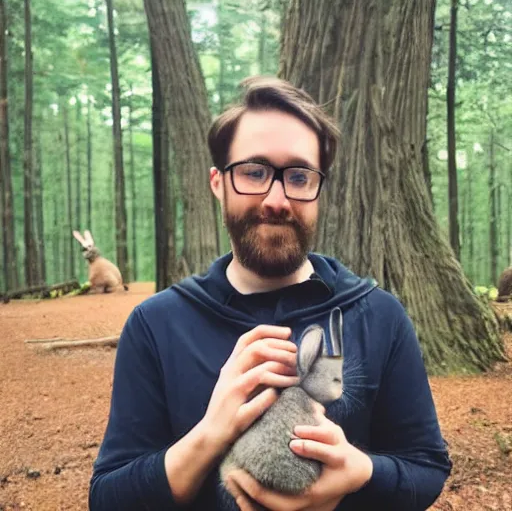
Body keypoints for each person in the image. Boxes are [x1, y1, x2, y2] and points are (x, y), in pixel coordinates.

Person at [89, 76, 452, 511]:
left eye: (298, 176)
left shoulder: (379, 315)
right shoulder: (156, 325)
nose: (277, 198)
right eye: (254, 172)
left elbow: (427, 467)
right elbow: (108, 498)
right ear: (218, 183)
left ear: (319, 191)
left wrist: (361, 474)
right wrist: (211, 433)